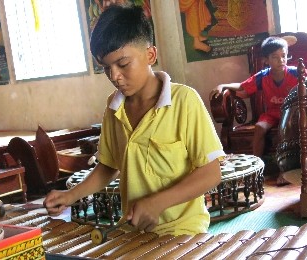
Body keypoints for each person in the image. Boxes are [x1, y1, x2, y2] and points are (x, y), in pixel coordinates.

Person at [44, 4, 225, 236]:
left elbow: (211, 173)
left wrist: (158, 202)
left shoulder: (184, 101)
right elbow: (109, 166)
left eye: (123, 64)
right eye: (105, 68)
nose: (114, 76)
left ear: (150, 55)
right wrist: (70, 195)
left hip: (183, 231)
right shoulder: (114, 108)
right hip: (134, 231)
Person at [209, 36, 307, 184]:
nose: (281, 60)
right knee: (259, 127)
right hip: (271, 113)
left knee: (286, 130)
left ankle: (285, 171)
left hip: (290, 113)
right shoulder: (263, 77)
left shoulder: (295, 73)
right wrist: (223, 85)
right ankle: (257, 168)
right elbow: (242, 87)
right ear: (266, 60)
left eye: (283, 56)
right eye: (275, 57)